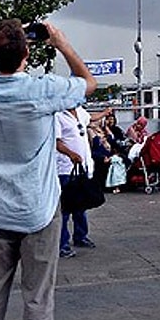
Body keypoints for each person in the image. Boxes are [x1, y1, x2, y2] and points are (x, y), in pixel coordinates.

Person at [0, 19, 96, 320]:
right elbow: (88, 83)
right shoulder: (42, 89)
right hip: (37, 210)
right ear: (26, 52)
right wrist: (60, 43)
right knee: (37, 301)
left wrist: (6, 45)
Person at [55, 105, 106, 258]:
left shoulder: (80, 111)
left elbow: (91, 118)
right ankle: (62, 243)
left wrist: (105, 112)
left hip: (82, 166)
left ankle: (80, 235)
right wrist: (70, 153)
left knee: (80, 204)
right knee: (65, 208)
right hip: (65, 168)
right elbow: (56, 142)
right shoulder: (57, 115)